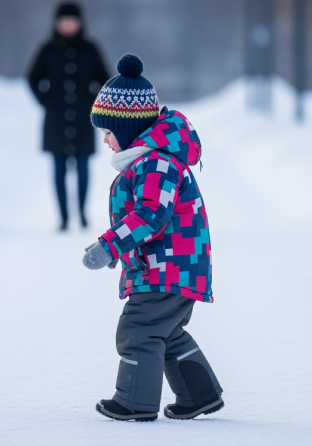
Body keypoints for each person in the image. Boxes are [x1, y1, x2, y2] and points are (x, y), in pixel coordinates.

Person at [81, 54, 223, 422]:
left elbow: (149, 217)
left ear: (126, 130)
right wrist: (118, 247)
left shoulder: (156, 163)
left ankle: (134, 403)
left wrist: (110, 244)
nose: (107, 141)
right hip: (172, 266)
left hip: (166, 268)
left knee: (139, 330)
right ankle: (199, 395)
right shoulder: (149, 161)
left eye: (109, 132)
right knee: (167, 332)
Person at [27, 1, 109, 231]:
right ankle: (63, 217)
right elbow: (32, 78)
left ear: (80, 23)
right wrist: (46, 101)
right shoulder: (47, 49)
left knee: (83, 168)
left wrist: (93, 101)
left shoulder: (91, 48)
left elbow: (105, 80)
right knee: (59, 169)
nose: (68, 25)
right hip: (55, 120)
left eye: (72, 21)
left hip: (83, 119)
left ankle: (82, 213)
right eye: (64, 21)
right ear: (57, 23)